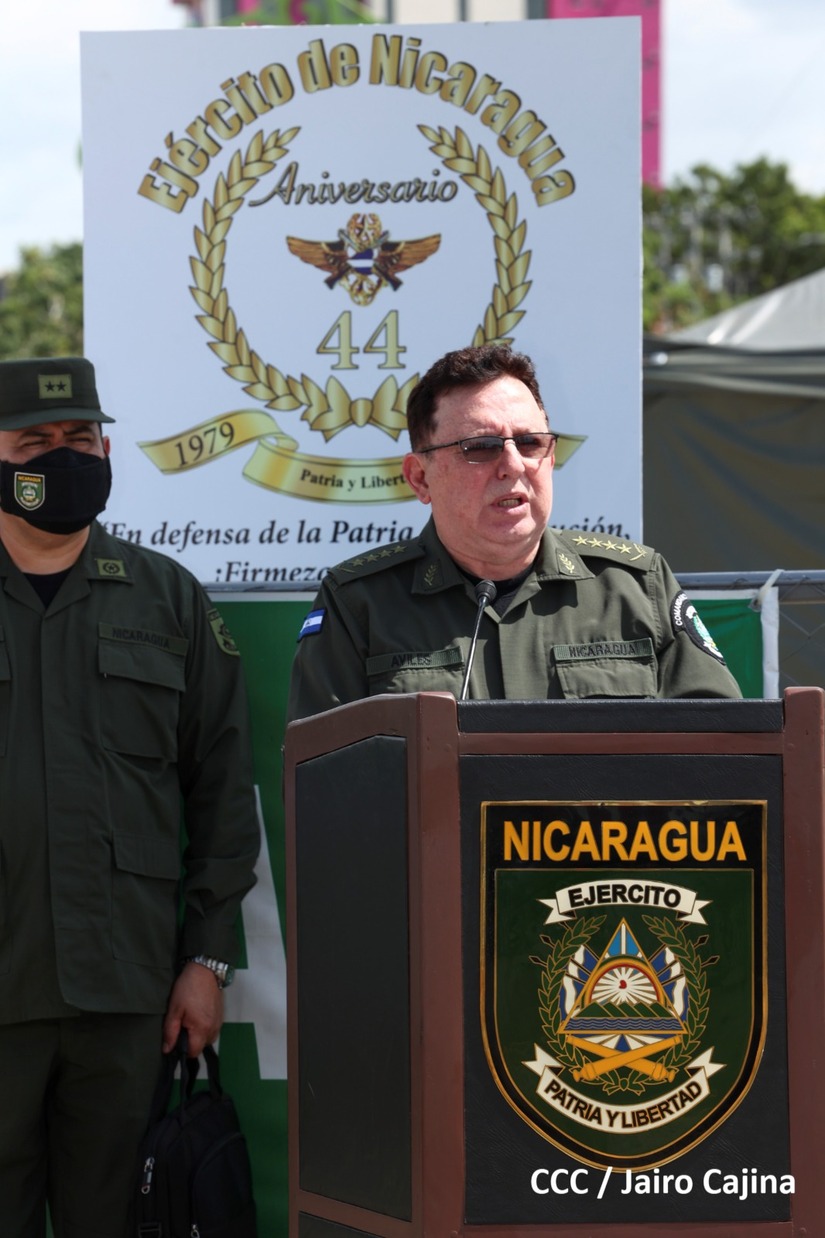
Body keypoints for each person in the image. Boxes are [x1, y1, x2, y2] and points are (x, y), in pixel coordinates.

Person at [0, 356, 260, 1236]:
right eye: (35, 443)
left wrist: (207, 961)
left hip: (125, 997)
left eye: (81, 439)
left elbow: (222, 792)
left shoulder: (168, 599)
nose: (64, 458)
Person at [287, 344, 741, 719]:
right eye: (480, 447)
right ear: (420, 478)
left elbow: (722, 751)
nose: (513, 465)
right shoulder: (359, 605)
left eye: (529, 443)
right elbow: (324, 779)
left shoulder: (636, 587)